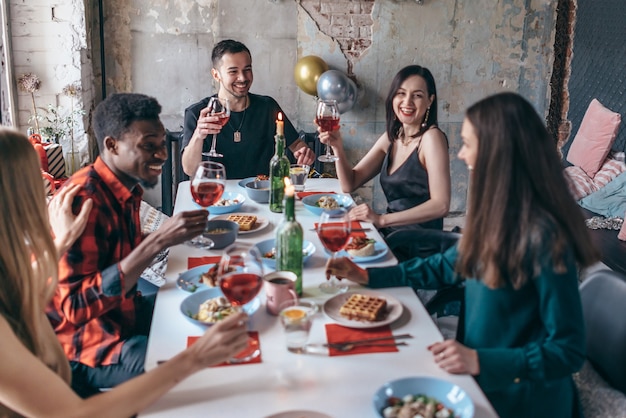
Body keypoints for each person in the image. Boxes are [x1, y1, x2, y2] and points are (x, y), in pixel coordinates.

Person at [325, 92, 599, 417]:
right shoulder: (497, 216)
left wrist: (479, 360)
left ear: (497, 151)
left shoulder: (545, 237)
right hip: (478, 380)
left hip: (521, 401)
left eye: (468, 143)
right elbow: (445, 266)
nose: (460, 154)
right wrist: (368, 276)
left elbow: (566, 351)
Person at [0, 128, 249, 417]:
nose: (49, 188)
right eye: (37, 180)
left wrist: (62, 241)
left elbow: (27, 286)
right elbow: (73, 414)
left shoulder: (12, 268)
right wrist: (193, 358)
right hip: (80, 374)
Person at [45, 93, 219, 396]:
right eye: (148, 146)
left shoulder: (124, 186)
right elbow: (74, 307)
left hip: (125, 312)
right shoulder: (85, 201)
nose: (163, 155)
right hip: (88, 347)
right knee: (197, 374)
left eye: (162, 144)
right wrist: (160, 241)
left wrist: (175, 235)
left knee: (210, 307)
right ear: (112, 145)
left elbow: (115, 249)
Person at [317, 65, 450, 234]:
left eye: (417, 95)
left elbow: (441, 205)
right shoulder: (392, 137)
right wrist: (337, 146)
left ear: (430, 100)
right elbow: (349, 183)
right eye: (401, 93)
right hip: (391, 235)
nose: (407, 102)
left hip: (419, 244)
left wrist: (381, 219)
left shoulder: (431, 138)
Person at [181, 39, 315, 178]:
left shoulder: (267, 106)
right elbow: (190, 170)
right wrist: (198, 134)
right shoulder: (197, 113)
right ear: (216, 75)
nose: (242, 78)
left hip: (261, 193)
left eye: (247, 69)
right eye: (233, 71)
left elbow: (297, 144)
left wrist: (304, 152)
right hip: (218, 194)